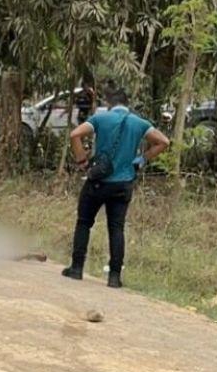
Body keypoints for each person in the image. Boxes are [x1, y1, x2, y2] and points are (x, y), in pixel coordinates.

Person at [61, 86, 170, 288]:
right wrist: (142, 158)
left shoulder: (100, 119)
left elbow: (75, 134)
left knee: (84, 222)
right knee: (116, 228)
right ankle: (114, 277)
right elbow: (163, 141)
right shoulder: (139, 123)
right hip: (123, 184)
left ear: (109, 103)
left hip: (98, 182)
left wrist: (81, 159)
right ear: (127, 104)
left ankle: (76, 268)